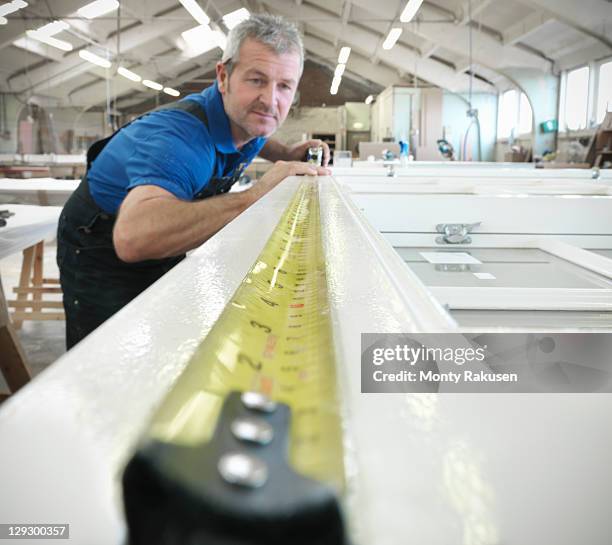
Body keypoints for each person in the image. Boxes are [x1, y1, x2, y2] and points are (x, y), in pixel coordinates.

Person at [57, 14, 329, 349]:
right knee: (108, 355)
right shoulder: (179, 139)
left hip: (162, 229)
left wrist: (286, 151)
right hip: (100, 240)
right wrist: (254, 197)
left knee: (160, 339)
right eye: (257, 80)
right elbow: (133, 238)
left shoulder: (249, 117)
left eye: (284, 86)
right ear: (223, 77)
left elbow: (258, 136)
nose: (271, 100)